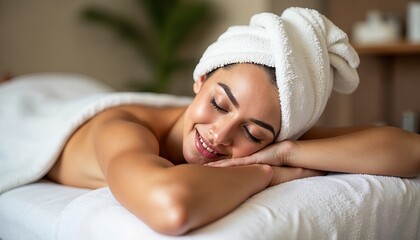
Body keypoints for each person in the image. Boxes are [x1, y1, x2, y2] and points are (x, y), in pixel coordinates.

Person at [41, 7, 420, 236]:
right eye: (220, 104)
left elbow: (408, 149)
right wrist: (267, 173)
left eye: (253, 132)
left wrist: (287, 153)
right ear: (201, 78)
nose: (220, 134)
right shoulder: (123, 129)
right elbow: (171, 207)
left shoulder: (274, 139)